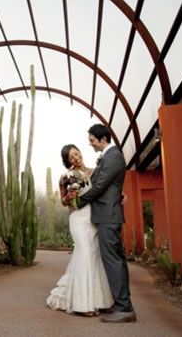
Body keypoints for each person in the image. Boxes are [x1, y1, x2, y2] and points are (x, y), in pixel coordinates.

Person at [76, 124, 137, 323]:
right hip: (107, 214)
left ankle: (124, 308)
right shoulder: (109, 157)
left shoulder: (114, 157)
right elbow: (106, 184)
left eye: (92, 140)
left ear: (103, 139)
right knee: (114, 259)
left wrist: (80, 201)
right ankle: (121, 304)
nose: (90, 143)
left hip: (108, 216)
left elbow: (101, 184)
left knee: (113, 260)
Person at [46, 144, 114, 316]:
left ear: (80, 152)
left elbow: (104, 191)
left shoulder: (94, 172)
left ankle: (99, 301)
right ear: (68, 162)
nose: (76, 158)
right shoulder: (65, 177)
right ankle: (81, 305)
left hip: (93, 219)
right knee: (84, 255)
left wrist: (120, 197)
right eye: (71, 158)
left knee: (94, 257)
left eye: (76, 154)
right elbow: (63, 201)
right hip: (78, 218)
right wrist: (69, 196)